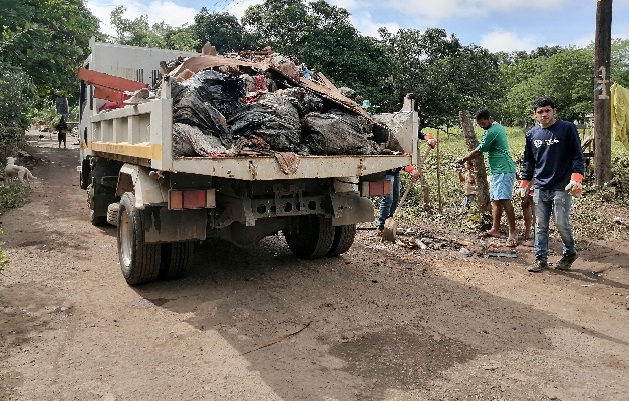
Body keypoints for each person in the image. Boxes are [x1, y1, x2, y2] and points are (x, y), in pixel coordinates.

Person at [521, 97, 584, 272]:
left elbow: (577, 155)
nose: (544, 114)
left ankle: (569, 252)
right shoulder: (532, 134)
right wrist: (525, 182)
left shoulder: (567, 128)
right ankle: (540, 259)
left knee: (561, 223)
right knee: (540, 225)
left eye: (547, 110)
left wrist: (577, 178)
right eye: (540, 112)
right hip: (541, 186)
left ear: (554, 111)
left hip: (562, 186)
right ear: (535, 114)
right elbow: (529, 161)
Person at [456, 109, 518, 246]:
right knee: (495, 200)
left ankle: (513, 232)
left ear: (490, 119)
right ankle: (495, 229)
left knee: (505, 200)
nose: (482, 126)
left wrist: (463, 159)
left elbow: (479, 151)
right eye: (480, 125)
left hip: (504, 169)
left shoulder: (493, 131)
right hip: (497, 170)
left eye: (484, 123)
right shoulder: (495, 128)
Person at [376, 131, 437, 233]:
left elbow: (416, 133)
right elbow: (392, 157)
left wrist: (428, 138)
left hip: (395, 172)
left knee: (395, 198)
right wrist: (410, 169)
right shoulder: (386, 137)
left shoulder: (404, 132)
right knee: (388, 199)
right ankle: (381, 226)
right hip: (386, 172)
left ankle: (389, 223)